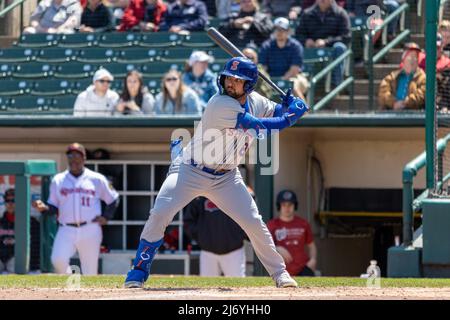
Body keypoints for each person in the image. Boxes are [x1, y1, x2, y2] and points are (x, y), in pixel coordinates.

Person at [123, 56, 309, 289]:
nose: (230, 83)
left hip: (227, 177)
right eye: (228, 78)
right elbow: (260, 125)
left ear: (249, 84)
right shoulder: (219, 103)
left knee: (253, 222)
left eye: (237, 80)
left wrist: (291, 105)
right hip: (191, 169)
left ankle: (280, 274)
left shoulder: (257, 101)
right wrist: (291, 116)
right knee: (160, 212)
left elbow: (277, 112)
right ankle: (138, 272)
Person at [33, 143, 120, 275]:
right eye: (70, 155)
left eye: (77, 155)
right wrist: (43, 207)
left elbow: (113, 199)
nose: (73, 158)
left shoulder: (97, 178)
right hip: (66, 229)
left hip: (90, 228)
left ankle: (87, 294)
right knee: (58, 260)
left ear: (84, 158)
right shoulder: (58, 180)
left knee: (90, 271)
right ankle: (72, 280)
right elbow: (53, 207)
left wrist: (106, 217)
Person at [183, 190, 252, 277]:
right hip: (208, 252)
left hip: (234, 251)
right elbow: (188, 221)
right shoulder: (200, 195)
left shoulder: (238, 191)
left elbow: (250, 217)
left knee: (237, 286)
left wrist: (239, 235)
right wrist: (202, 238)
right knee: (207, 288)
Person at [296, 0, 351, 87]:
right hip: (312, 48)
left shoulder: (340, 13)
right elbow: (299, 34)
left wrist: (326, 42)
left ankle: (336, 85)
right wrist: (306, 40)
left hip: (332, 48)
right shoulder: (307, 13)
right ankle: (306, 84)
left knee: (340, 47)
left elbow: (346, 36)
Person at [267, 190, 317, 277]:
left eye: (290, 205)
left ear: (295, 206)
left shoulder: (303, 224)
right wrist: (277, 248)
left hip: (303, 269)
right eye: (284, 205)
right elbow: (264, 246)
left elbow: (312, 246)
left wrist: (313, 260)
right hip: (281, 271)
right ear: (279, 206)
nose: (287, 208)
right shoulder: (271, 225)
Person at [259, 17, 309, 99]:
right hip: (270, 79)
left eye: (282, 29)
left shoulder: (296, 46)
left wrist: (281, 81)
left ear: (288, 31)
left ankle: (304, 110)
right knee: (259, 86)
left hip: (294, 76)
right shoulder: (266, 45)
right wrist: (270, 81)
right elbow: (263, 68)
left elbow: (294, 70)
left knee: (293, 86)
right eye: (276, 29)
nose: (279, 32)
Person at [378, 43, 426, 110]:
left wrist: (405, 102)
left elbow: (422, 94)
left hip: (415, 114)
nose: (413, 59)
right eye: (410, 56)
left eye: (416, 56)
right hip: (392, 112)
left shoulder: (423, 77)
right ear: (403, 58)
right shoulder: (393, 76)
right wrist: (394, 103)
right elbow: (383, 93)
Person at [0, 189, 15, 273]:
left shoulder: (29, 221)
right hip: (1, 258)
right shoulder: (1, 221)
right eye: (7, 200)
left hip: (16, 258)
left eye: (13, 200)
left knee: (15, 268)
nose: (10, 203)